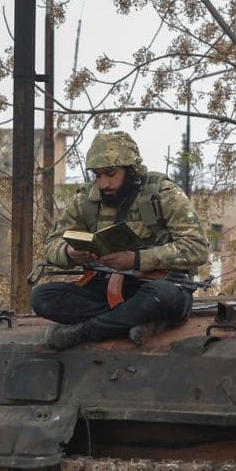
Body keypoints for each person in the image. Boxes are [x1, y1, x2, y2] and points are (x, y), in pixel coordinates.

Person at [34, 131, 211, 349]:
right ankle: (135, 321)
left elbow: (197, 249)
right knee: (43, 296)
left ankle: (83, 332)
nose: (104, 183)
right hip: (106, 288)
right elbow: (52, 244)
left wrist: (136, 259)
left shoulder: (163, 194)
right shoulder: (86, 200)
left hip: (159, 286)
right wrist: (69, 253)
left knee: (159, 297)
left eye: (110, 174)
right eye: (98, 175)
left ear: (130, 169)